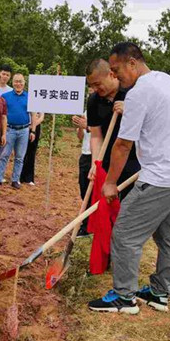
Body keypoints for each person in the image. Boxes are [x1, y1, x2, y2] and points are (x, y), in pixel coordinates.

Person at [88, 42, 170, 314]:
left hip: (161, 178)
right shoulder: (168, 80)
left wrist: (110, 182)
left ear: (132, 63)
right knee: (168, 238)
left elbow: (123, 145)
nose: (115, 76)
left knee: (125, 234)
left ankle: (124, 297)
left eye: (116, 70)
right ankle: (160, 293)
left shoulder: (139, 93)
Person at [86, 58, 140, 211]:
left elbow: (153, 122)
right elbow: (96, 135)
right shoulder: (94, 101)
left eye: (98, 84)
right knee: (107, 207)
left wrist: (130, 110)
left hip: (135, 161)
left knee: (130, 209)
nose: (96, 89)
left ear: (111, 74)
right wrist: (95, 163)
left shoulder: (133, 93)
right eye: (92, 85)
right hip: (109, 163)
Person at [0, 73, 36, 189]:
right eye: (16, 81)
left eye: (20, 81)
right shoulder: (5, 96)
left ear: (24, 83)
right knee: (4, 155)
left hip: (24, 130)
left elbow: (33, 115)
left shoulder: (29, 97)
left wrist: (33, 131)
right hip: (9, 129)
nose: (18, 84)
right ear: (13, 83)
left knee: (20, 157)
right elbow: (2, 114)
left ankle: (15, 179)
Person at [72, 88, 94, 237]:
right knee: (83, 190)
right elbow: (80, 137)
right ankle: (86, 222)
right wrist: (80, 127)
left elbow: (101, 132)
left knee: (91, 192)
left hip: (96, 155)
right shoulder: (86, 112)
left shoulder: (102, 111)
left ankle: (87, 226)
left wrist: (87, 126)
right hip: (85, 154)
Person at [20, 112, 44, 185]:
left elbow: (41, 117)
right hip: (23, 127)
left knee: (31, 152)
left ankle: (29, 178)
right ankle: (19, 176)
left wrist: (32, 126)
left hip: (35, 128)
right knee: (22, 152)